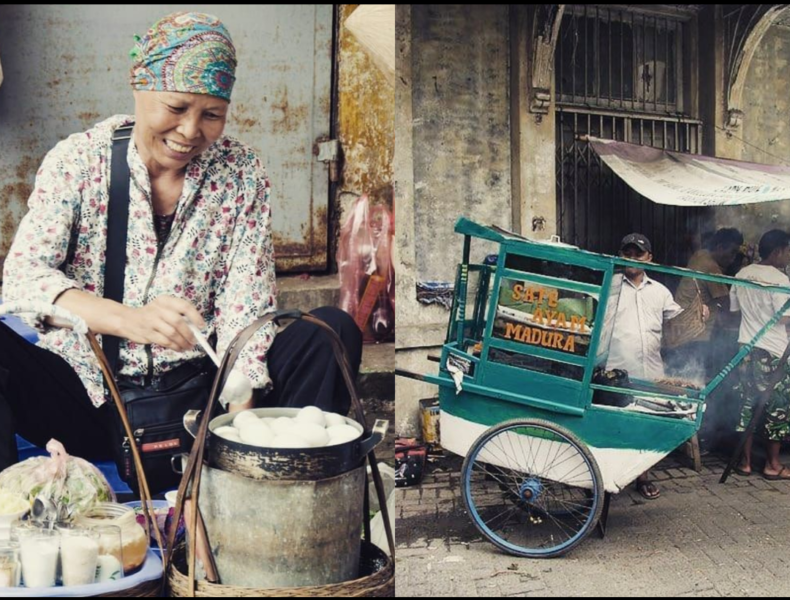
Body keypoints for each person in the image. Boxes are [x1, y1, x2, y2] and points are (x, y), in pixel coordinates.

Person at [0, 12, 362, 473]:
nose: (191, 132)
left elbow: (245, 305)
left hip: (202, 402)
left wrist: (242, 429)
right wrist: (129, 321)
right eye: (175, 108)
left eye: (211, 115)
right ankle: (10, 524)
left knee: (330, 333)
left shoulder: (241, 173)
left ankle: (275, 488)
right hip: (92, 400)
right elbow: (23, 281)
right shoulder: (79, 161)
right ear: (139, 88)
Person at [606, 233, 684, 500]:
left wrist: (700, 315)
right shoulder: (610, 285)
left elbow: (678, 327)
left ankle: (642, 478)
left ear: (649, 258)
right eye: (627, 253)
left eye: (638, 254)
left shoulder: (660, 291)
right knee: (616, 423)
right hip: (615, 370)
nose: (632, 258)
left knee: (648, 426)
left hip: (651, 369)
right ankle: (610, 477)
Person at [667, 228, 744, 451]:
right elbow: (729, 306)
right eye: (731, 253)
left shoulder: (699, 255)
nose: (732, 259)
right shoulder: (711, 267)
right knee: (695, 386)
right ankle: (695, 438)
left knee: (684, 383)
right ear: (719, 247)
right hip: (693, 336)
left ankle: (682, 438)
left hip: (680, 333)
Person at [730, 229, 790, 480]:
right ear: (777, 251)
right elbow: (786, 317)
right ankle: (772, 465)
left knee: (747, 403)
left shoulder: (742, 274)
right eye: (788, 252)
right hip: (774, 351)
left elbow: (734, 312)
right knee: (776, 407)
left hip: (745, 348)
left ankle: (744, 463)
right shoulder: (780, 280)